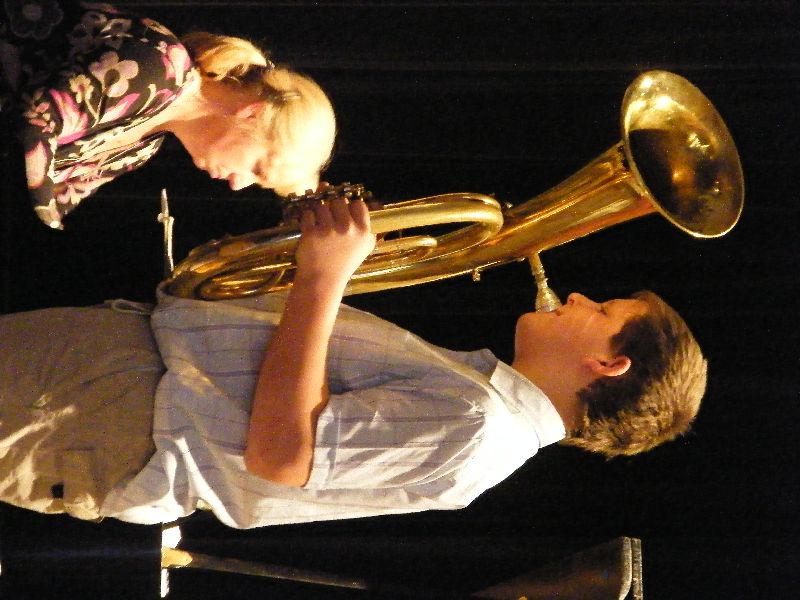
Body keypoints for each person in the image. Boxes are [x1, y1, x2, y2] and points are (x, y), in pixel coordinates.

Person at [0, 195, 707, 528]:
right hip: (115, 382)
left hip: (105, 411)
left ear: (608, 364)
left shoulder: (479, 429)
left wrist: (324, 274)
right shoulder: (478, 396)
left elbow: (282, 454)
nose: (578, 297)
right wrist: (297, 257)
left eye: (602, 311)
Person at [0, 1, 336, 229]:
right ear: (253, 114)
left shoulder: (142, 150)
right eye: (258, 169)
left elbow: (56, 203)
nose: (238, 184)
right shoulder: (159, 65)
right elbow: (32, 127)